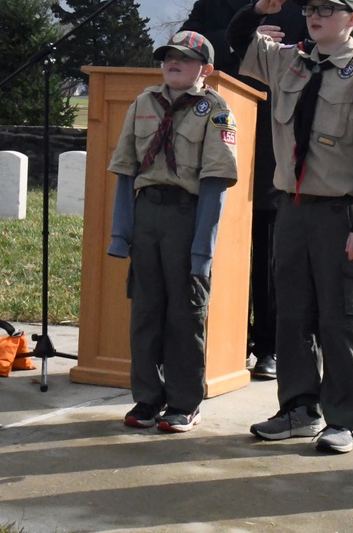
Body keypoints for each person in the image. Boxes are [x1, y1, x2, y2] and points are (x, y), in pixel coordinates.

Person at [228, 0, 353, 454]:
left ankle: (345, 417)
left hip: (338, 213)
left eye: (328, 9)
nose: (315, 16)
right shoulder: (289, 62)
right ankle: (299, 409)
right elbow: (236, 43)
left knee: (341, 317)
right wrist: (257, 10)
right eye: (309, 10)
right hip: (293, 208)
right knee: (291, 313)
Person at [180, 0, 308, 380]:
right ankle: (220, 336)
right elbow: (184, 42)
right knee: (215, 235)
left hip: (276, 136)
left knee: (268, 245)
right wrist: (240, 35)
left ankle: (269, 344)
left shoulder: (303, 0)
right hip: (214, 133)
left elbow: (316, 51)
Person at [106, 30, 238, 433]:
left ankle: (184, 402)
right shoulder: (143, 103)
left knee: (185, 313)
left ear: (206, 69)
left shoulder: (215, 110)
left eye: (184, 57)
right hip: (148, 217)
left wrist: (203, 251)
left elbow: (215, 184)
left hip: (187, 216)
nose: (173, 63)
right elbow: (127, 172)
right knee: (145, 312)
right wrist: (120, 234)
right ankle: (147, 398)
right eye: (167, 57)